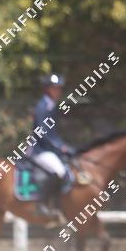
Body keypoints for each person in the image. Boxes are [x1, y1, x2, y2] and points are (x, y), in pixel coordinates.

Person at [30, 73, 75, 218]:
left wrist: (64, 146)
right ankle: (41, 204)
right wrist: (59, 147)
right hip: (41, 150)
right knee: (59, 171)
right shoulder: (42, 107)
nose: (58, 91)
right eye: (55, 88)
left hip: (49, 149)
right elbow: (42, 134)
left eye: (59, 88)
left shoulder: (51, 106)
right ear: (47, 89)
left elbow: (53, 134)